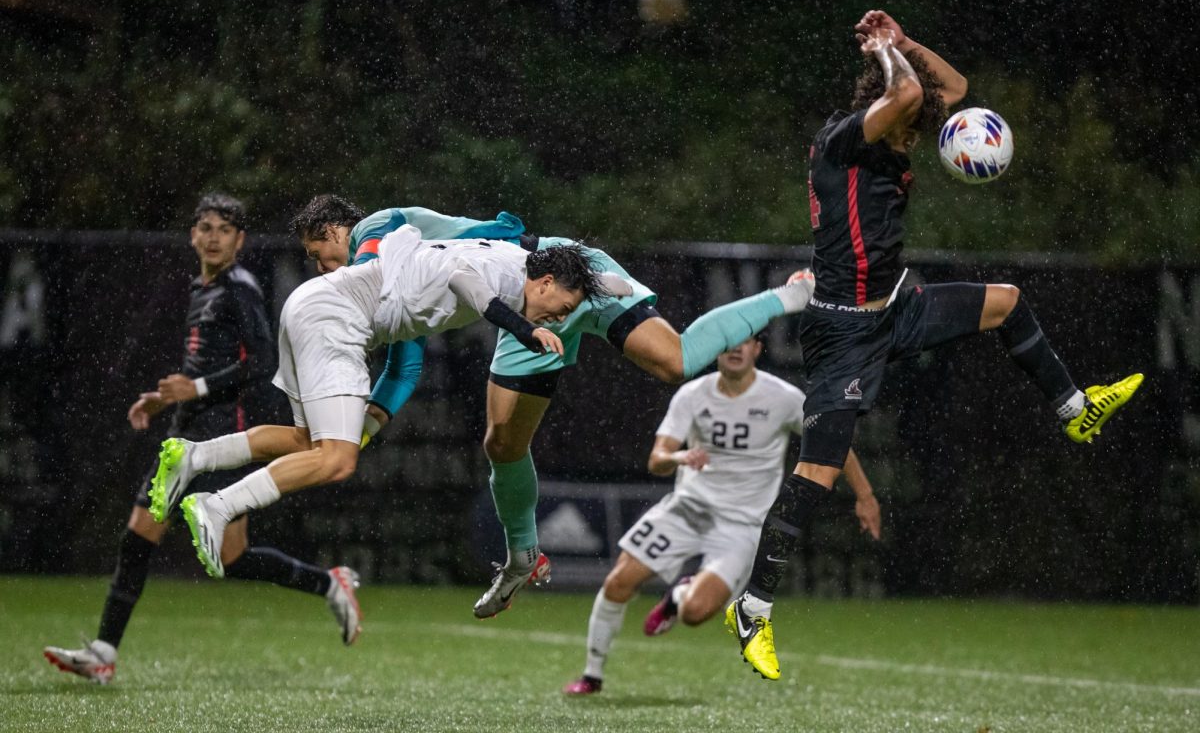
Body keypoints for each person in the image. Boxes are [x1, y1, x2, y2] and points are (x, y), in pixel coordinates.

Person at [726, 10, 1145, 681]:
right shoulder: (843, 139)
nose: (922, 135)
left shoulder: (894, 125)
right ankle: (752, 606)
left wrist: (906, 43)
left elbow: (952, 85)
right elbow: (913, 95)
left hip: (897, 308)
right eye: (910, 120)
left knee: (1005, 301)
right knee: (820, 474)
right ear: (884, 105)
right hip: (842, 331)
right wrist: (888, 52)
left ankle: (1075, 409)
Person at [274, 195, 816, 619]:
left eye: (316, 252)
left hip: (554, 279)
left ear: (335, 231)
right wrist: (360, 430)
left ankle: (784, 298)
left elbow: (443, 250)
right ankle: (521, 559)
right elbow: (405, 366)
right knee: (503, 443)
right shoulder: (393, 272)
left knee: (672, 362)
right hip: (526, 303)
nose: (320, 267)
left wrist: (343, 412)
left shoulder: (373, 235)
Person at [153, 225, 610, 580]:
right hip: (335, 321)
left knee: (306, 439)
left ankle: (194, 456)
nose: (560, 318)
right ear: (545, 280)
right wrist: (523, 328)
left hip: (310, 308)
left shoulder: (517, 262)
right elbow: (464, 280)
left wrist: (616, 288)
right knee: (335, 461)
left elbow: (402, 367)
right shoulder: (505, 275)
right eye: (563, 307)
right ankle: (218, 505)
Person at [43, 194, 362, 686]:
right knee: (224, 556)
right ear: (193, 234)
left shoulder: (239, 288)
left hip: (221, 433)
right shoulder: (203, 286)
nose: (213, 237)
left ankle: (104, 652)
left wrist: (196, 389)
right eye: (206, 227)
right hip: (190, 428)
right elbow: (206, 366)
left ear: (241, 240)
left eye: (224, 229)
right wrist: (166, 398)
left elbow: (261, 363)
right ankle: (328, 583)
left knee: (142, 535)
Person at [561, 335, 880, 695]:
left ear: (758, 349)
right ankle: (592, 675)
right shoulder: (692, 395)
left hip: (741, 527)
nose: (736, 348)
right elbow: (657, 460)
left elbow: (833, 442)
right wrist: (680, 457)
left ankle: (679, 595)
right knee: (618, 582)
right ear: (717, 348)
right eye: (728, 340)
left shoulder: (784, 398)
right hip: (687, 510)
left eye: (746, 342)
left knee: (695, 613)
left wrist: (865, 496)